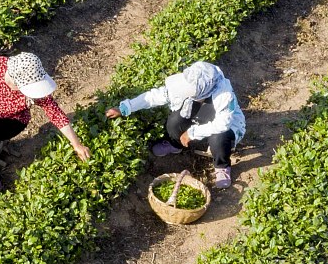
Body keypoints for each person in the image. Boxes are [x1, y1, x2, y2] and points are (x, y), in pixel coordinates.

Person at [0, 52, 88, 203]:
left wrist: (76, 144)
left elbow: (56, 114)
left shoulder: (32, 83)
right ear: (13, 80)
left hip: (12, 120)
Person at [105, 59, 245, 188]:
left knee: (219, 137)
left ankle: (221, 166)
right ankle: (175, 145)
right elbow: (154, 96)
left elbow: (223, 124)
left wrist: (192, 133)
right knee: (174, 122)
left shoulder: (224, 96)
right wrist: (126, 108)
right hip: (200, 113)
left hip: (225, 125)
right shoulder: (189, 82)